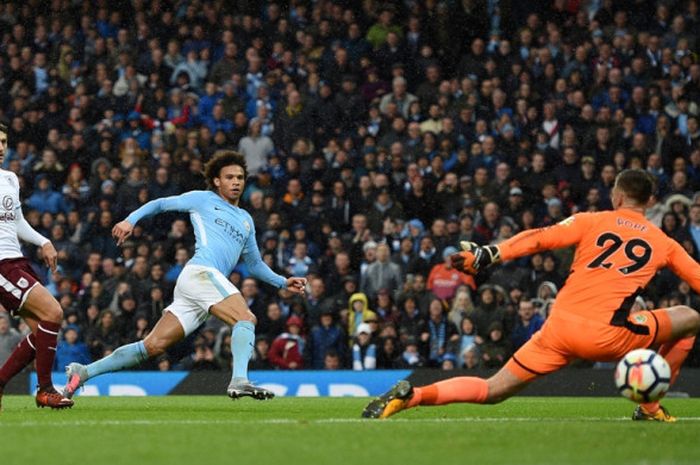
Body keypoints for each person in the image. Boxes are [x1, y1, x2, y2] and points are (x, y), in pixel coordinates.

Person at [364, 170, 700, 422]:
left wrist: (490, 253)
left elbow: (539, 239)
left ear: (616, 196)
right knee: (689, 319)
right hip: (607, 338)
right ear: (651, 202)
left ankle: (413, 395)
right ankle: (649, 406)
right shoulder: (664, 243)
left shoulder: (591, 220)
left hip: (557, 329)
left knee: (492, 389)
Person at [63, 150, 307, 400]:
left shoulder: (246, 220)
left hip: (200, 286)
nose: (236, 182)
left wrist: (282, 281)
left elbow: (254, 264)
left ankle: (83, 372)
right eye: (230, 177)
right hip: (201, 273)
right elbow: (160, 204)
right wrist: (130, 220)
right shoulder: (202, 199)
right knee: (245, 318)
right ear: (216, 181)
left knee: (151, 346)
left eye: (240, 177)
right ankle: (240, 380)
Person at [0, 123, 74, 410]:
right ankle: (45, 389)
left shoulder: (10, 179)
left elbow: (16, 222)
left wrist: (44, 241)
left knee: (41, 332)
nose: (1, 147)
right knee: (54, 311)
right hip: (1, 265)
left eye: (4, 141)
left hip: (16, 259)